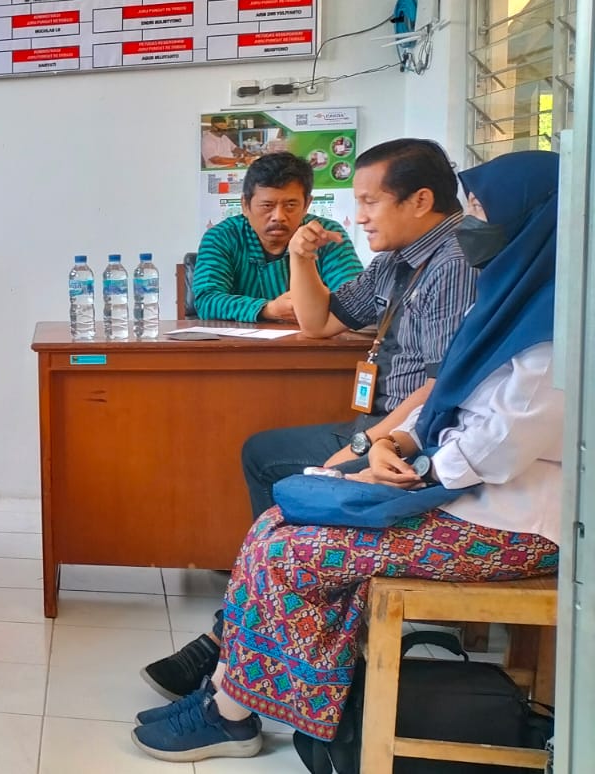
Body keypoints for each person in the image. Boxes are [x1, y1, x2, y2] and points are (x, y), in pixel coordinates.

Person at [129, 150, 562, 763]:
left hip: (507, 523)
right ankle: (233, 691)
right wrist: (393, 444)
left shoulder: (551, 337)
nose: (470, 226)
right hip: (451, 487)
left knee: (288, 546)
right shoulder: (506, 300)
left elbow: (489, 447)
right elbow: (445, 398)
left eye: (481, 213)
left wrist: (394, 465)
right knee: (276, 521)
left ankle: (234, 708)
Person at [141, 138, 477, 700]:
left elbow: (443, 384)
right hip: (387, 425)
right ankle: (257, 623)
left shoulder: (454, 263)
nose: (360, 216)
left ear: (420, 201)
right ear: (246, 205)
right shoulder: (398, 258)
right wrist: (301, 259)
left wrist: (369, 442)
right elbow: (320, 321)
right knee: (264, 455)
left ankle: (238, 639)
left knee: (289, 495)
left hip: (411, 440)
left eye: (370, 201)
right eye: (357, 201)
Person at [190, 152, 363, 322]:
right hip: (237, 340)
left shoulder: (326, 234)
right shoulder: (222, 237)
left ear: (306, 205)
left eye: (290, 205)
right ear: (245, 205)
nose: (278, 216)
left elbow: (357, 298)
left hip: (314, 338)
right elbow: (206, 300)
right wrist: (268, 309)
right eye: (267, 205)